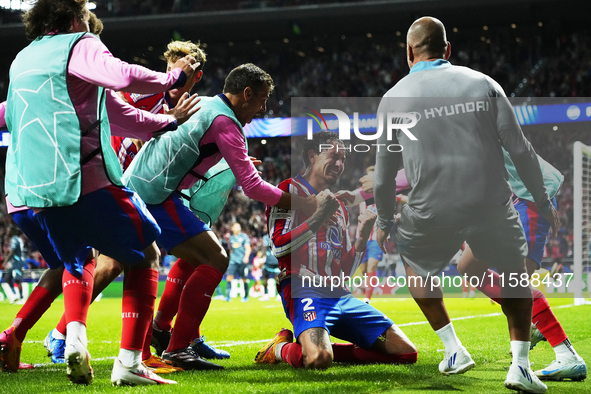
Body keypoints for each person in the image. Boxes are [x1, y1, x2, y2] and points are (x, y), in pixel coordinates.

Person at [0, 0, 199, 386]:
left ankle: (73, 338)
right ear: (76, 18)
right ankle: (128, 364)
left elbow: (124, 117)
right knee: (146, 253)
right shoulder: (80, 42)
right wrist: (170, 79)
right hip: (83, 180)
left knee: (76, 259)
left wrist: (167, 121)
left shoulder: (23, 60)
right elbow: (121, 76)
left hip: (33, 192)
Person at [374, 17, 560, 394]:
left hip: (430, 209)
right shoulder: (484, 83)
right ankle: (521, 366)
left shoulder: (393, 97)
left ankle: (453, 349)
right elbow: (521, 150)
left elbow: (383, 178)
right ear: (447, 50)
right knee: (513, 274)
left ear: (409, 52)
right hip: (490, 204)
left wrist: (384, 219)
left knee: (413, 260)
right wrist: (543, 200)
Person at [122, 63, 317, 371]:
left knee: (152, 262)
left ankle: (159, 338)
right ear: (247, 93)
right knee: (215, 258)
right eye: (262, 99)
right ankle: (177, 347)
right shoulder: (226, 123)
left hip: (141, 185)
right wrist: (303, 204)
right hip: (153, 194)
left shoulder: (207, 104)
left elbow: (192, 154)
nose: (264, 108)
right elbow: (252, 186)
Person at [255, 131, 417, 369]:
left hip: (340, 294)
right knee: (319, 360)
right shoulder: (288, 191)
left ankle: (319, 349)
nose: (340, 164)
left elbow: (342, 270)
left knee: (405, 353)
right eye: (333, 156)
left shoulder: (340, 206)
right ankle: (279, 349)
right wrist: (318, 216)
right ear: (312, 155)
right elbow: (279, 247)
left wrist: (361, 238)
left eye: (343, 159)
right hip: (304, 290)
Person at [457, 151, 587, 381]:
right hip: (504, 206)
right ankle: (533, 322)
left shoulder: (474, 126)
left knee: (515, 287)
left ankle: (568, 356)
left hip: (530, 201)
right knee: (468, 267)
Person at [224, 222, 252, 302]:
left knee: (244, 278)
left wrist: (246, 257)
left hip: (242, 260)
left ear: (240, 228)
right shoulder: (231, 238)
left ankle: (246, 296)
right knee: (229, 277)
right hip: (233, 261)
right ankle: (228, 297)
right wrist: (229, 258)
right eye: (235, 227)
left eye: (238, 226)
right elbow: (231, 250)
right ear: (232, 228)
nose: (237, 228)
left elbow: (248, 248)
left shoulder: (244, 237)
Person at [258, 233, 280, 302]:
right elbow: (264, 247)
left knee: (278, 280)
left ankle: (279, 295)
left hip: (276, 261)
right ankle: (266, 295)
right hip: (268, 261)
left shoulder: (280, 234)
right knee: (265, 279)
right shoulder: (266, 237)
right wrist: (262, 257)